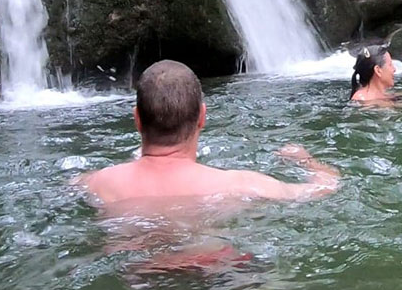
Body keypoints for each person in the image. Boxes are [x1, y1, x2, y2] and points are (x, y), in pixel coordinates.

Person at [80, 60, 339, 205]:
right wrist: (306, 161)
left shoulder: (97, 183)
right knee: (266, 278)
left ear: (137, 119)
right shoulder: (237, 185)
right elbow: (324, 188)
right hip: (215, 279)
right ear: (202, 117)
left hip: (135, 279)